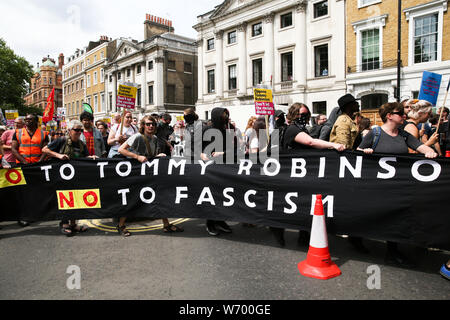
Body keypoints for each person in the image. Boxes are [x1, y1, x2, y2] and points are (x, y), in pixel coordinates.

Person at [358, 102, 437, 267]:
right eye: (400, 113)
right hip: (378, 186)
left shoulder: (403, 134)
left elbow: (419, 146)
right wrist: (364, 151)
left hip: (398, 187)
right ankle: (356, 237)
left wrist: (429, 151)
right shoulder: (375, 133)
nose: (404, 115)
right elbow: (355, 153)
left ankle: (392, 251)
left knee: (395, 216)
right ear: (389, 116)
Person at [271, 103, 345, 247]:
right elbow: (310, 142)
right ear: (293, 115)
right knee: (286, 207)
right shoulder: (293, 129)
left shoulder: (300, 128)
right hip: (289, 174)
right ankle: (278, 231)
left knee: (303, 206)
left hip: (298, 174)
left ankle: (303, 235)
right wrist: (333, 145)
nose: (304, 117)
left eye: (306, 114)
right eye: (301, 114)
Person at [117, 115, 184, 236]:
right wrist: (137, 156)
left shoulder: (155, 138)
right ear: (143, 125)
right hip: (138, 173)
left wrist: (157, 157)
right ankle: (121, 225)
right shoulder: (137, 137)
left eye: (153, 124)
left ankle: (166, 224)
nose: (151, 126)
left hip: (150, 173)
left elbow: (150, 156)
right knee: (133, 198)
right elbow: (121, 149)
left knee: (159, 197)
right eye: (148, 124)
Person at [42, 120, 96, 236]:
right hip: (62, 177)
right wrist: (59, 155)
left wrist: (91, 158)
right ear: (69, 130)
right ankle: (64, 223)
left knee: (76, 199)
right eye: (76, 130)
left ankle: (73, 224)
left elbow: (85, 156)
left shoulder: (82, 144)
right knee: (65, 199)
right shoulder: (62, 140)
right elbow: (45, 150)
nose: (78, 132)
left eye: (80, 130)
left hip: (76, 177)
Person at [201, 107, 235, 236]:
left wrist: (223, 152)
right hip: (210, 167)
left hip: (224, 166)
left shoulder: (228, 129)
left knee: (223, 195)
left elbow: (233, 149)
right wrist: (202, 155)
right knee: (212, 195)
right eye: (223, 115)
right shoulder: (206, 130)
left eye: (227, 115)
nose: (225, 118)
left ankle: (220, 221)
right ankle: (210, 222)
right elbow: (193, 147)